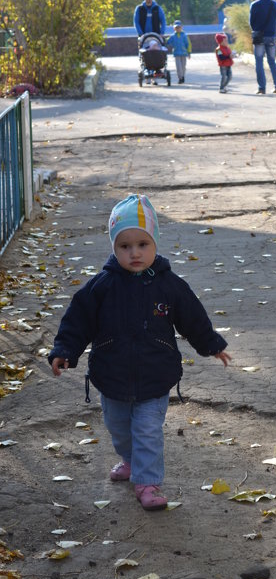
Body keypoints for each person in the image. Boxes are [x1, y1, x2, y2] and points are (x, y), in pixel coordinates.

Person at [48, 194, 231, 511]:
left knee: (147, 430)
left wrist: (211, 344)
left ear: (155, 243)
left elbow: (193, 318)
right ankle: (130, 461)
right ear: (114, 248)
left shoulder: (170, 286)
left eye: (142, 244)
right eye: (125, 246)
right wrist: (64, 349)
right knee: (119, 428)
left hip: (155, 375)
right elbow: (77, 321)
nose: (134, 253)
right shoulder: (101, 287)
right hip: (111, 374)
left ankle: (147, 482)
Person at [249, 0, 276, 95]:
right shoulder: (275, 4)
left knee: (259, 61)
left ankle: (261, 88)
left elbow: (251, 23)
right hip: (271, 35)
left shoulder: (254, 5)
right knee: (272, 61)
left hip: (259, 36)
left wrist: (257, 29)